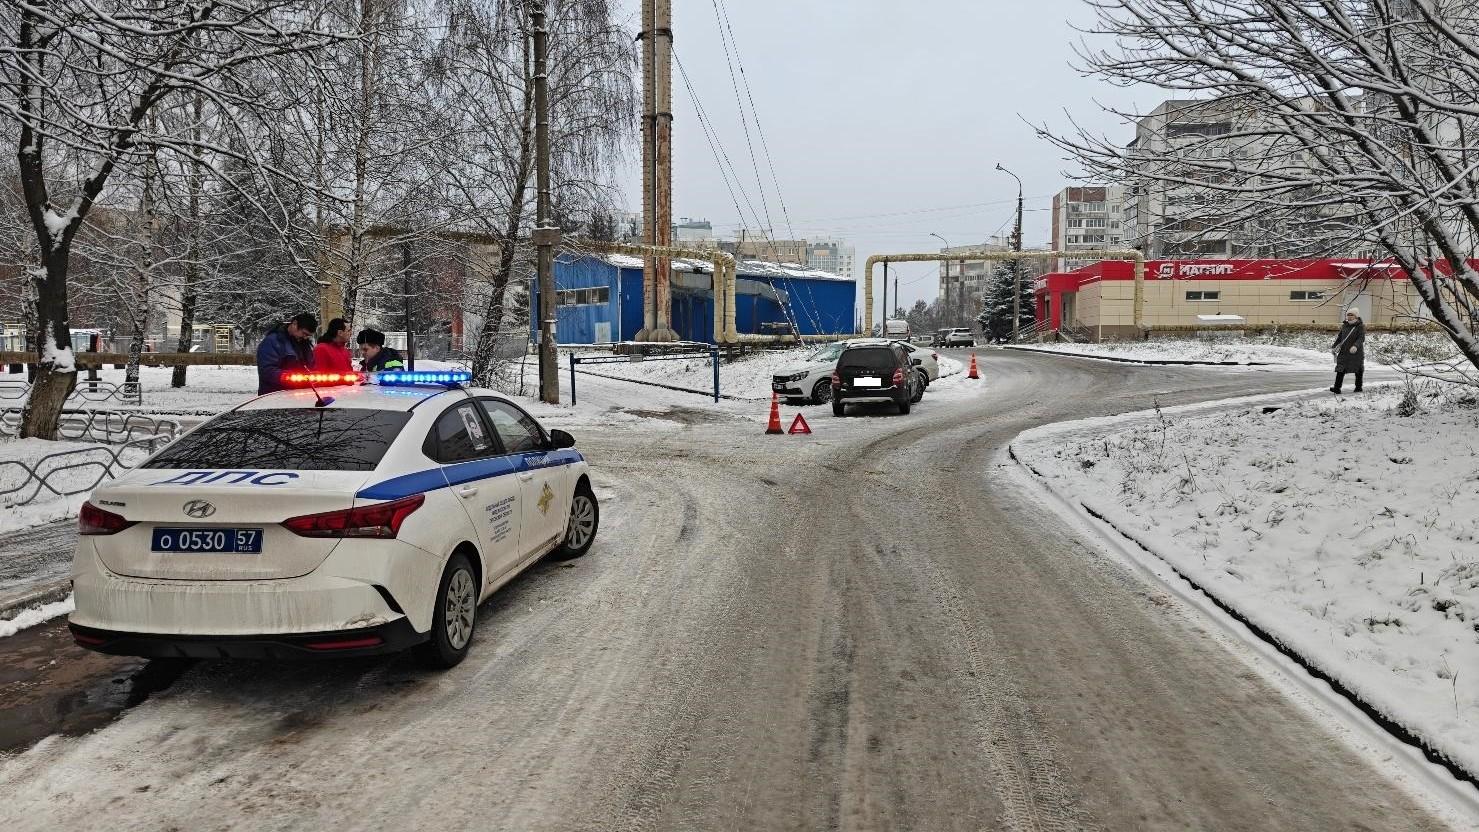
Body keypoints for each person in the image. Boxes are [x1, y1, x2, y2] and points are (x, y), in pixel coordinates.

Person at [256, 312, 317, 395]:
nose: (305, 337)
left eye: (308, 336)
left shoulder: (305, 345)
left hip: (300, 395)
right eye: (304, 333)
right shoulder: (272, 341)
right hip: (274, 396)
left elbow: (311, 366)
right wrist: (289, 377)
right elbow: (266, 371)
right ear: (294, 324)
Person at [1331, 307, 1365, 394]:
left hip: (1356, 353)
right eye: (1348, 315)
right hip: (1344, 352)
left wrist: (1355, 346)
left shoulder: (1360, 326)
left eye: (1351, 315)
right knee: (1340, 369)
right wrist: (1334, 346)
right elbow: (1340, 337)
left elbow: (1361, 338)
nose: (1349, 317)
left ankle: (1358, 387)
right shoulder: (1345, 325)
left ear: (1356, 316)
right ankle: (1337, 388)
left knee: (1358, 369)